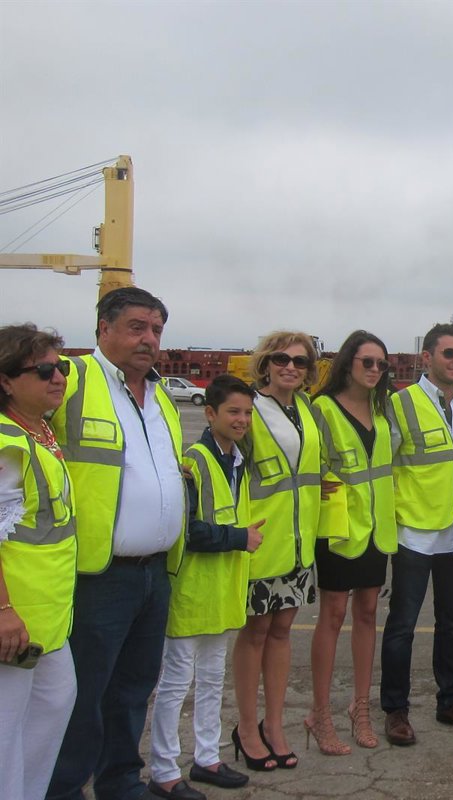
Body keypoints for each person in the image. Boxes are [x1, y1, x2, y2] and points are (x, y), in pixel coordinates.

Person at [47, 287, 186, 800]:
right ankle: (64, 789)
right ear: (103, 328)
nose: (149, 339)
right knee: (82, 696)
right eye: (136, 327)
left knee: (133, 689)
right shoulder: (70, 379)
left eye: (156, 330)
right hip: (96, 575)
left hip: (154, 573)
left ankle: (121, 783)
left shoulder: (162, 398)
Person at [148, 375, 262, 799]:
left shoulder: (237, 460)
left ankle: (207, 757)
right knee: (176, 682)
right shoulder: (194, 462)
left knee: (213, 677)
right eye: (233, 411)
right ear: (210, 413)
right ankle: (163, 769)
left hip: (222, 590)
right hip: (192, 590)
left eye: (247, 412)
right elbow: (190, 530)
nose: (242, 419)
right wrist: (240, 538)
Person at [381, 323, 453, 745]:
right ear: (427, 358)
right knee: (402, 626)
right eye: (449, 353)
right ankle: (396, 709)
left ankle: (450, 702)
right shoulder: (401, 403)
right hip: (415, 532)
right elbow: (385, 465)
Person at [230, 331, 325, 772]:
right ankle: (247, 728)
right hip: (262, 540)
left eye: (300, 361)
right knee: (255, 633)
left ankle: (274, 724)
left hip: (299, 543)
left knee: (283, 631)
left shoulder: (307, 409)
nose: (290, 367)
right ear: (265, 364)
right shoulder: (250, 409)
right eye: (281, 359)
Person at [307, 331, 396, 754]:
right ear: (348, 363)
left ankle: (360, 708)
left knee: (367, 612)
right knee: (333, 613)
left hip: (376, 529)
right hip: (339, 528)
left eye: (381, 364)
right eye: (367, 362)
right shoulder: (322, 409)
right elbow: (308, 462)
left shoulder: (383, 409)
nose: (375, 370)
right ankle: (319, 714)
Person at [0, 324, 77, 800]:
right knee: (6, 737)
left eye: (61, 367)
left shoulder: (40, 432)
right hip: (15, 623)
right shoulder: (7, 443)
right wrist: (3, 610)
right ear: (7, 380)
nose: (59, 378)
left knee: (53, 707)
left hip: (48, 620)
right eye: (44, 370)